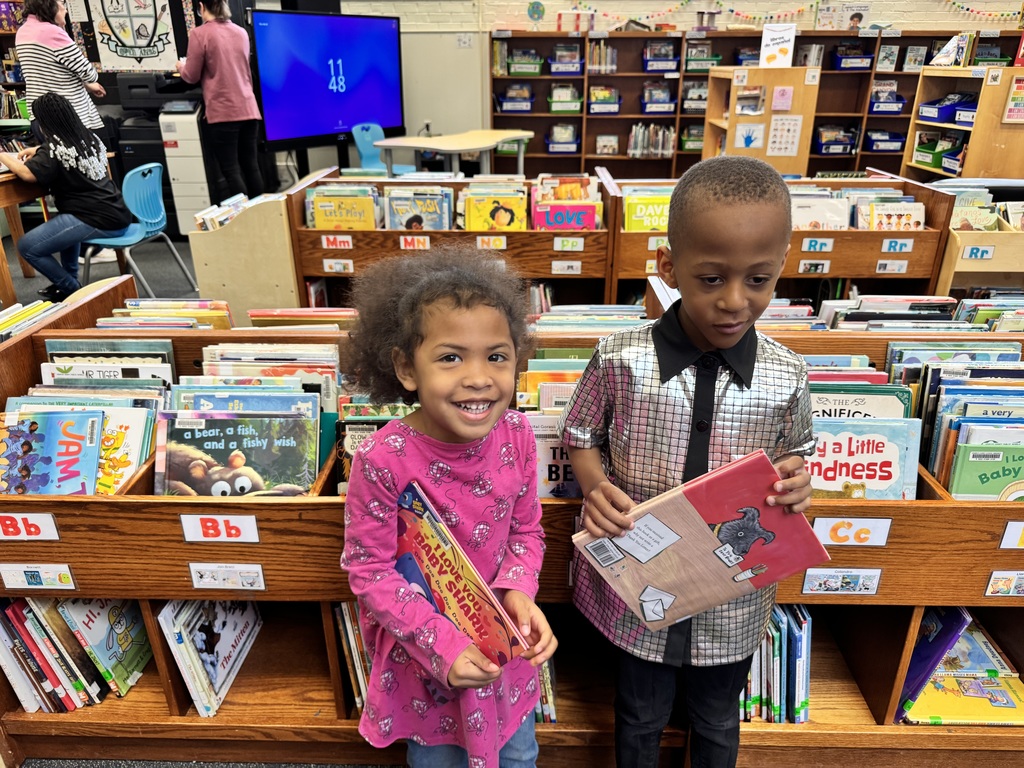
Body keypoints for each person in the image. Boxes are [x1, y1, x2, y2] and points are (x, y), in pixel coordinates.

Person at [558, 156, 815, 768]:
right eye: (710, 279)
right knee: (639, 715)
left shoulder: (787, 374)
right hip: (641, 579)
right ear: (669, 268)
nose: (734, 302)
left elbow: (795, 456)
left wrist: (798, 484)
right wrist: (594, 487)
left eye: (759, 280)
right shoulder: (620, 357)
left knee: (718, 719)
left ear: (781, 267)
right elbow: (580, 433)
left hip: (735, 595)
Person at [341, 250, 557, 767]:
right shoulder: (380, 459)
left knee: (519, 756)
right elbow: (368, 570)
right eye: (451, 357)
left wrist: (519, 593)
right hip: (429, 665)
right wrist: (442, 644)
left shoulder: (519, 435)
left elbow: (527, 533)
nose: (479, 377)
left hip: (504, 656)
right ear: (405, 368)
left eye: (496, 356)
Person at [0, 92, 131, 301]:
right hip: (117, 212)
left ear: (43, 123)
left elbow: (27, 173)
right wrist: (40, 149)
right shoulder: (90, 138)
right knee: (63, 221)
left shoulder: (53, 149)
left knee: (27, 247)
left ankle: (74, 290)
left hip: (95, 219)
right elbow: (60, 154)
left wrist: (3, 155)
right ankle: (67, 282)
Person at [176, 0, 264, 201]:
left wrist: (181, 65)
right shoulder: (241, 32)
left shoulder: (200, 34)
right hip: (249, 109)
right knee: (251, 166)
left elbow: (191, 75)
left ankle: (244, 220)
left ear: (201, 6)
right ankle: (262, 219)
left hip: (223, 113)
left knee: (231, 170)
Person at [16, 0, 109, 149]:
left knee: (60, 169)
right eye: (62, 3)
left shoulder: (22, 31)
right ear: (51, 5)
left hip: (40, 117)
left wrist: (87, 85)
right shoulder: (52, 32)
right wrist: (61, 31)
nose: (65, 9)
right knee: (86, 168)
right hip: (66, 118)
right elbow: (89, 73)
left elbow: (52, 70)